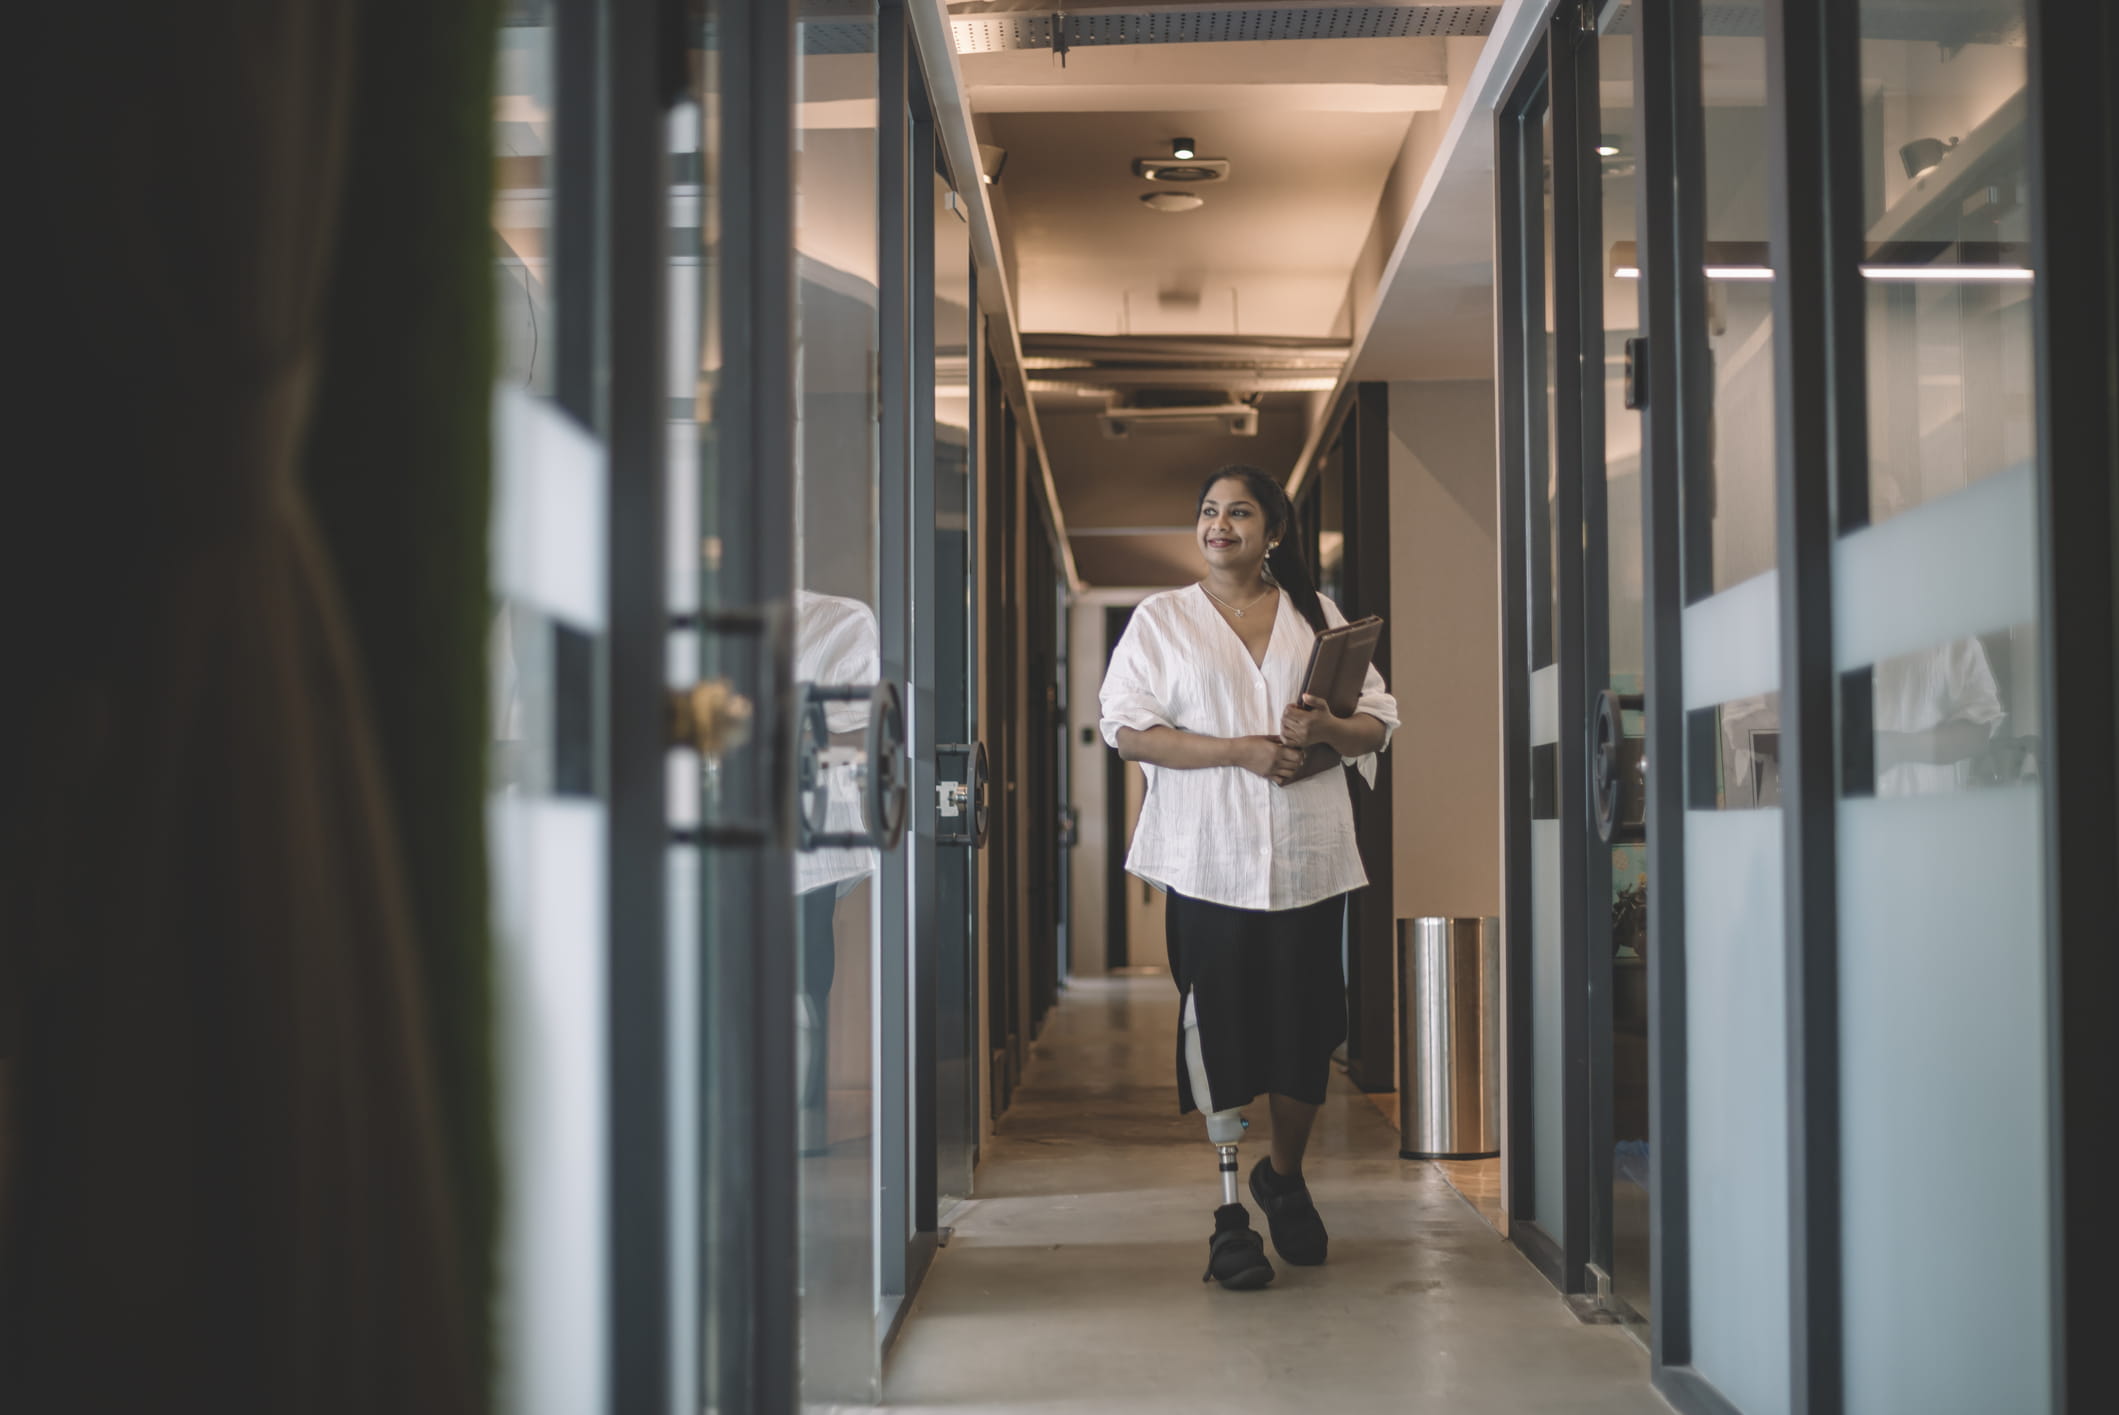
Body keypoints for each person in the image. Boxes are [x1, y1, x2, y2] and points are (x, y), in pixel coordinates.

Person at [1098, 465, 1399, 1291]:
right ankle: (1230, 1214)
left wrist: (1326, 725)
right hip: (1207, 859)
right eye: (1207, 511)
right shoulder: (1161, 620)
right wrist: (1241, 749)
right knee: (1220, 1031)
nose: (1218, 524)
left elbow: (1377, 723)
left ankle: (1284, 1174)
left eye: (1238, 512)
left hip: (1309, 856)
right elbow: (1126, 731)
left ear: (1274, 531)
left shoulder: (1318, 616)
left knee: (1307, 1031)